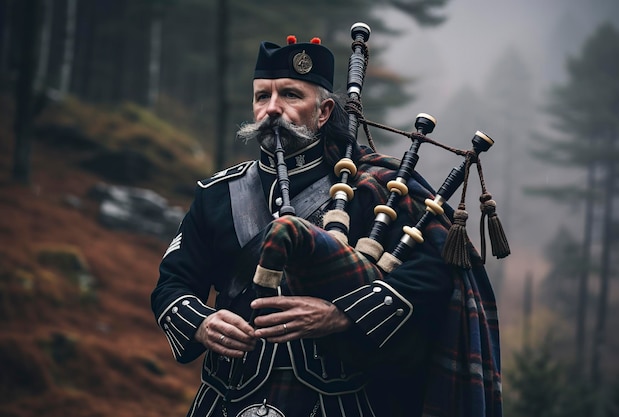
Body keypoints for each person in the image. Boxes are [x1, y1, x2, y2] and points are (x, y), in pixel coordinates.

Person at [151, 32, 502, 417]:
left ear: (324, 112)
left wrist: (341, 315)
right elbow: (173, 283)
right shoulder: (217, 194)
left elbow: (434, 275)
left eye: (290, 95)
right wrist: (202, 323)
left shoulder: (375, 188)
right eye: (261, 96)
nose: (271, 108)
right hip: (229, 400)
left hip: (339, 402)